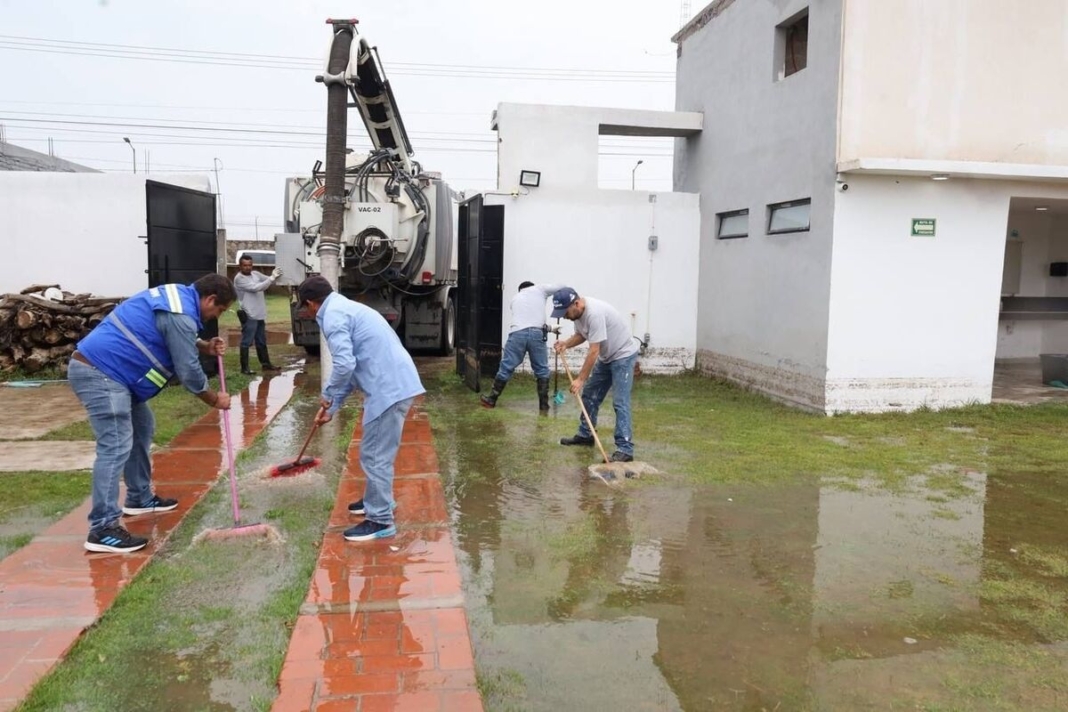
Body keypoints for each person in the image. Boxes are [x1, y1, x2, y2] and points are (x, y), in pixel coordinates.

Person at [69, 274, 235, 553]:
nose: (215, 316)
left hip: (116, 375)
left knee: (142, 427)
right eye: (219, 310)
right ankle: (102, 528)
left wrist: (204, 345)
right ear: (210, 299)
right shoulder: (181, 314)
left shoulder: (179, 298)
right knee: (115, 445)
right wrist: (214, 399)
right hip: (101, 374)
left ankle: (139, 498)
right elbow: (189, 371)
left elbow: (169, 330)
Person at [297, 276, 425, 542]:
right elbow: (351, 367)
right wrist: (331, 407)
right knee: (377, 452)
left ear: (311, 303)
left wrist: (328, 395)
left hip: (388, 389)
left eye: (307, 308)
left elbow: (344, 365)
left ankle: (379, 519)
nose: (309, 313)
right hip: (394, 385)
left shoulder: (332, 316)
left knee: (374, 455)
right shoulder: (346, 308)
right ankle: (378, 500)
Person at [551, 287, 639, 463]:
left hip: (623, 355)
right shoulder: (578, 314)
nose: (565, 316)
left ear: (576, 303)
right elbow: (581, 335)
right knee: (590, 395)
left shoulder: (594, 313)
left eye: (565, 311)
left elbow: (594, 351)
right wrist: (566, 344)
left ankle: (625, 449)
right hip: (608, 357)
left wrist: (580, 379)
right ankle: (586, 435)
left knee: (620, 401)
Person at [480, 281, 561, 413]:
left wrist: (550, 328)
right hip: (537, 334)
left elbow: (525, 322)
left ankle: (491, 399)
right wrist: (559, 304)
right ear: (532, 286)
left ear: (520, 290)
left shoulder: (515, 299)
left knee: (506, 367)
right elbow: (560, 287)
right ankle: (544, 406)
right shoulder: (540, 290)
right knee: (542, 370)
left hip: (517, 334)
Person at [233, 255, 283, 375]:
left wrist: (276, 275)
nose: (247, 267)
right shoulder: (239, 279)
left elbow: (268, 280)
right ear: (239, 266)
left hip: (259, 314)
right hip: (249, 314)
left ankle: (266, 364)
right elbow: (257, 288)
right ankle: (244, 368)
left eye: (249, 265)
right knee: (247, 342)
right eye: (244, 265)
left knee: (261, 341)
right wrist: (271, 278)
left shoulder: (255, 274)